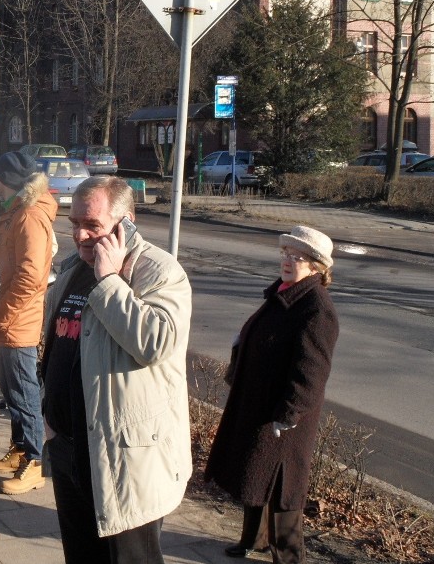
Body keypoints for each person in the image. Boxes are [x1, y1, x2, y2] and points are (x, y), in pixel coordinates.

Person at [41, 175, 192, 563]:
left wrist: (109, 281)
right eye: (74, 223)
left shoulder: (159, 271)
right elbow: (59, 342)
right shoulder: (74, 267)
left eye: (92, 225)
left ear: (126, 222)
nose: (80, 235)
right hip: (69, 445)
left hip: (124, 457)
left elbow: (156, 342)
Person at [205, 226, 339, 564]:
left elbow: (312, 370)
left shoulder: (316, 307)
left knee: (282, 486)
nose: (289, 260)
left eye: (299, 257)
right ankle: (255, 540)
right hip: (259, 402)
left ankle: (290, 556)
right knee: (255, 475)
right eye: (286, 254)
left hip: (284, 413)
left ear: (316, 267)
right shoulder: (284, 293)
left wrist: (290, 412)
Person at [0, 151, 57, 495]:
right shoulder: (16, 210)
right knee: (14, 390)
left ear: (6, 180)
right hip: (10, 317)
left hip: (17, 320)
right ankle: (20, 450)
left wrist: (4, 314)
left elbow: (30, 277)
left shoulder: (28, 216)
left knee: (24, 392)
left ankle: (34, 462)